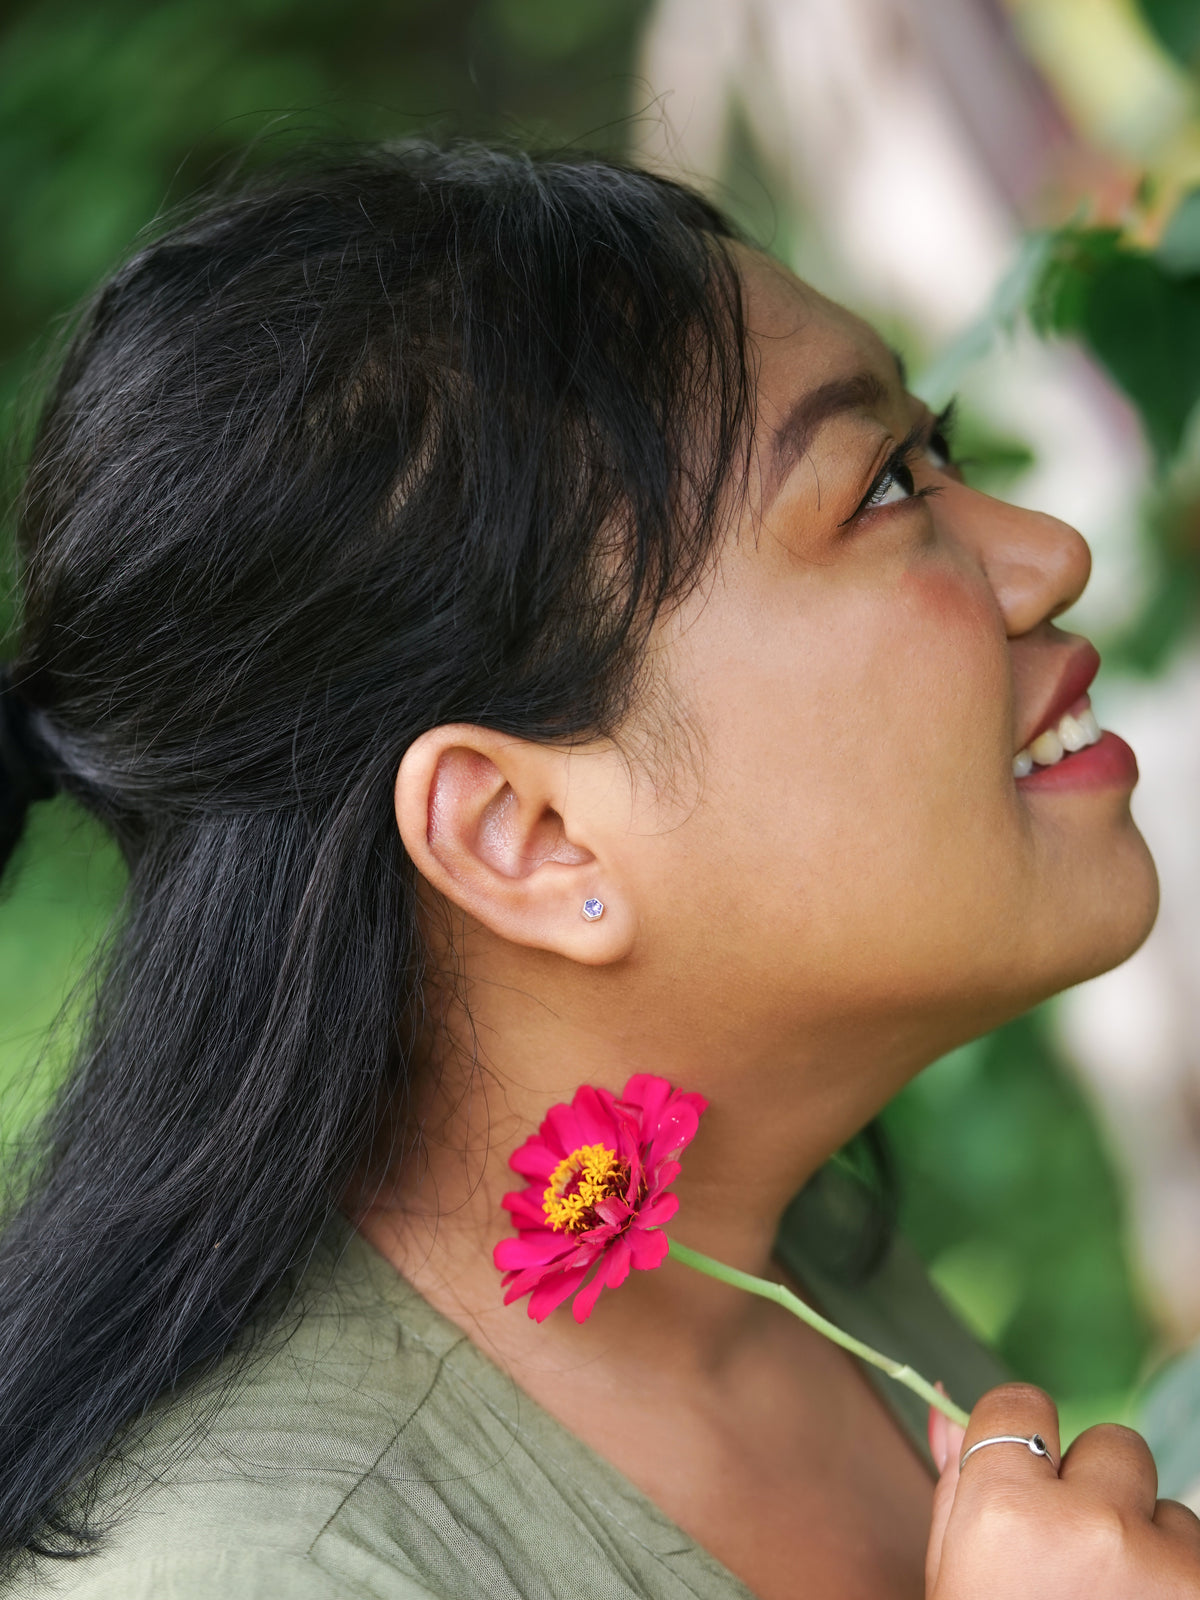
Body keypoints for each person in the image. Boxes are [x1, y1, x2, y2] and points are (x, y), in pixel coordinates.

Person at [0, 140, 1192, 1600]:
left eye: (932, 446)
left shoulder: (768, 1244)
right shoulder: (257, 1576)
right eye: (883, 486)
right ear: (527, 833)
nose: (1048, 555)